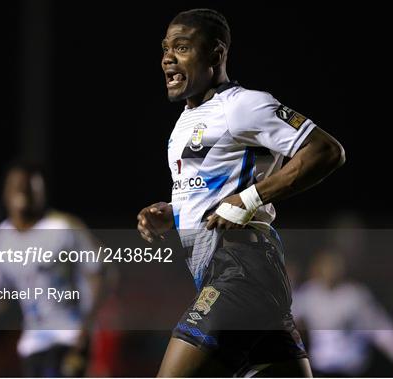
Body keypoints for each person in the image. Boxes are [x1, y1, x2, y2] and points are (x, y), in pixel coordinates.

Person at [137, 8, 345, 377]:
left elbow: (326, 151)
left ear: (216, 54)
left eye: (182, 47)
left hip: (240, 272)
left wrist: (249, 199)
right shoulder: (185, 121)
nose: (168, 57)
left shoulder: (243, 105)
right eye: (166, 48)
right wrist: (172, 212)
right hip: (246, 279)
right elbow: (215, 192)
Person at [0, 162, 103, 377]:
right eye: (17, 185)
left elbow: (99, 274)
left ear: (42, 191)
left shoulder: (64, 227)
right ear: (5, 191)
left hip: (69, 334)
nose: (23, 192)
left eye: (30, 186)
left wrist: (86, 326)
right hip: (34, 340)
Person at [292, 250, 393, 377]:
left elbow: (379, 326)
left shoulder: (355, 295)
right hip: (322, 369)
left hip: (351, 369)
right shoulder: (309, 294)